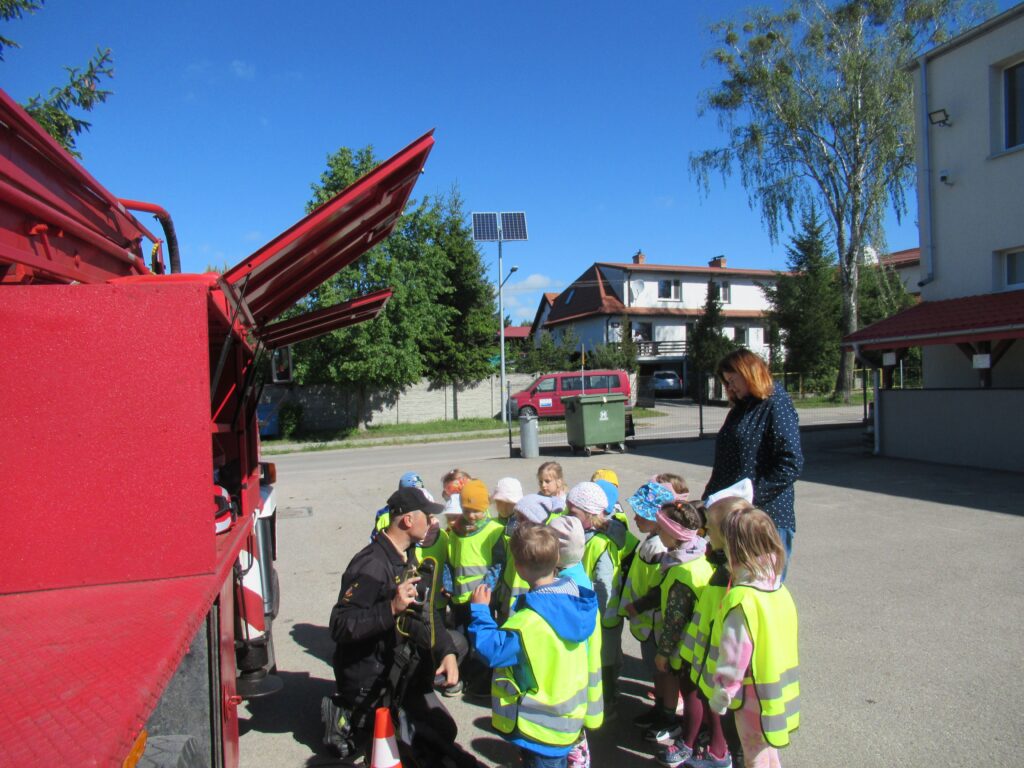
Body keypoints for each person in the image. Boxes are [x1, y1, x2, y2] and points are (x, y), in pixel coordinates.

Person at [323, 486, 467, 766]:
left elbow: (424, 610)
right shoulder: (372, 566)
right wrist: (390, 609)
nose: (433, 521)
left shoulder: (407, 554)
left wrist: (447, 652)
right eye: (428, 515)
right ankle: (348, 713)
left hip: (399, 667)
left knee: (443, 731)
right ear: (408, 521)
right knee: (423, 748)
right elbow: (340, 625)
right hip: (372, 675)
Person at [468, 525, 599, 768]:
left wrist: (480, 612)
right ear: (557, 558)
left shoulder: (527, 622)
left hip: (541, 730)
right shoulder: (575, 600)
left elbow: (493, 651)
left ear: (518, 567)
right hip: (568, 721)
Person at [696, 505, 799, 768]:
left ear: (734, 549)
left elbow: (735, 655)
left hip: (750, 694)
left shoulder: (741, 599)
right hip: (775, 688)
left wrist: (722, 693)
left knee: (752, 755)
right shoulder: (777, 589)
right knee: (767, 749)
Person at [664, 497, 753, 768]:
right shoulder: (723, 569)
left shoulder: (733, 582)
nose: (704, 534)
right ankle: (716, 750)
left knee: (736, 737)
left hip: (721, 672)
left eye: (709, 530)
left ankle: (718, 754)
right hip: (709, 663)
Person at [703, 349, 803, 577]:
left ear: (748, 372)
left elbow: (790, 463)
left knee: (759, 586)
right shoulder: (742, 408)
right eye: (726, 382)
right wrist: (708, 503)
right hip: (733, 517)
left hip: (765, 518)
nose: (729, 388)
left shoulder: (776, 404)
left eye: (732, 380)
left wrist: (749, 499)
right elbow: (725, 465)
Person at [642, 501, 712, 751]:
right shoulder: (700, 555)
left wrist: (663, 653)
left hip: (683, 649)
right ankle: (700, 734)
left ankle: (688, 743)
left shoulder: (680, 572)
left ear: (674, 533)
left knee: (691, 694)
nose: (658, 534)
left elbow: (674, 621)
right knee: (697, 694)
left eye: (661, 529)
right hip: (700, 642)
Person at [618, 481, 675, 730]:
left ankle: (667, 715)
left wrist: (637, 606)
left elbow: (659, 588)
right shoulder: (652, 540)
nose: (635, 517)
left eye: (641, 513)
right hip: (648, 622)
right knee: (655, 669)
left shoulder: (659, 547)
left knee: (663, 670)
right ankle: (659, 708)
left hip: (655, 622)